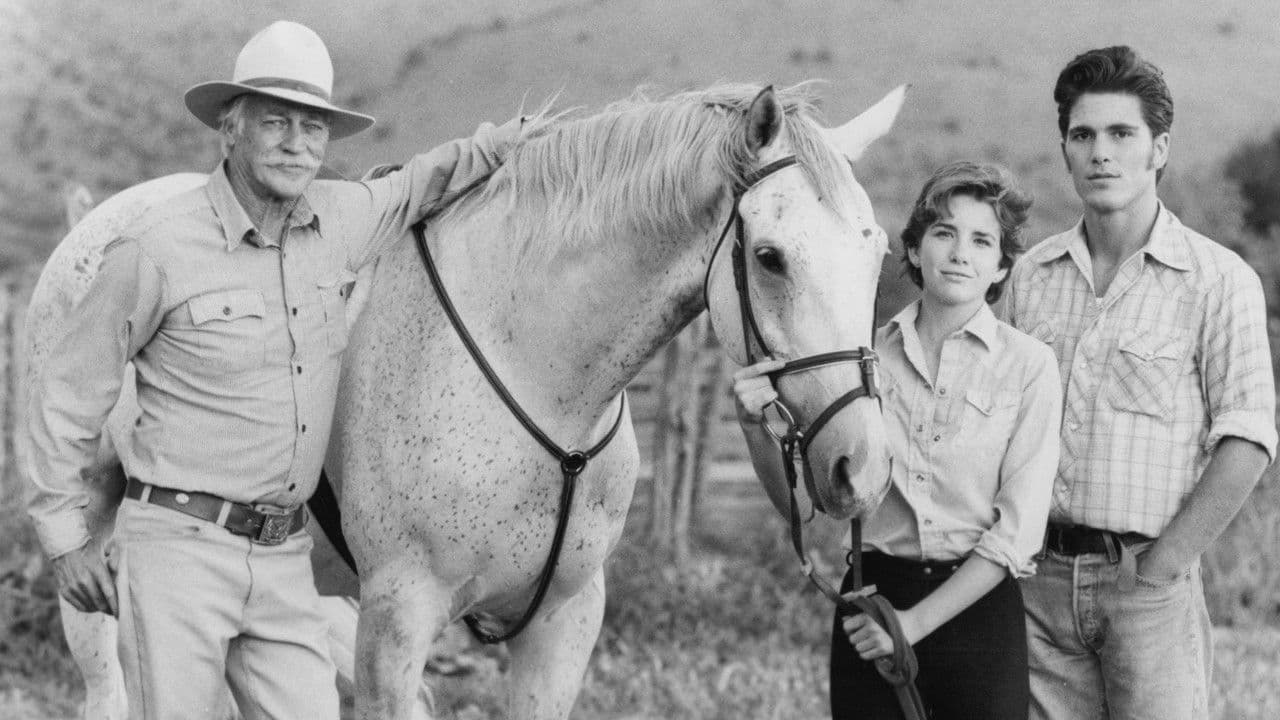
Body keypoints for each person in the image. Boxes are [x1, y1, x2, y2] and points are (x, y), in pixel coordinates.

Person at [23, 20, 524, 720]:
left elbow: (422, 181)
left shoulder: (342, 220)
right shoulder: (155, 247)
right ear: (230, 129)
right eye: (276, 122)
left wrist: (518, 139)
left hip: (284, 557)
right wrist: (65, 539)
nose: (297, 143)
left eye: (313, 127)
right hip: (177, 552)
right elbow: (66, 393)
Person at [734, 161, 1062, 719]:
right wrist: (753, 427)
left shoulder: (1030, 366)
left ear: (1002, 266)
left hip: (979, 616)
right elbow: (806, 509)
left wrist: (912, 626)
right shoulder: (862, 361)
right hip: (873, 606)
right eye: (944, 233)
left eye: (982, 241)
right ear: (913, 249)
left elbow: (1018, 533)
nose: (960, 253)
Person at [1005, 45, 1277, 720]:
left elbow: (1247, 442)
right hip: (1034, 585)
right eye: (1083, 135)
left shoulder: (1219, 281)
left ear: (1159, 149)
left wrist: (1159, 570)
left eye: (1121, 134)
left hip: (1147, 586)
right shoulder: (1030, 278)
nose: (1101, 153)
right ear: (1065, 151)